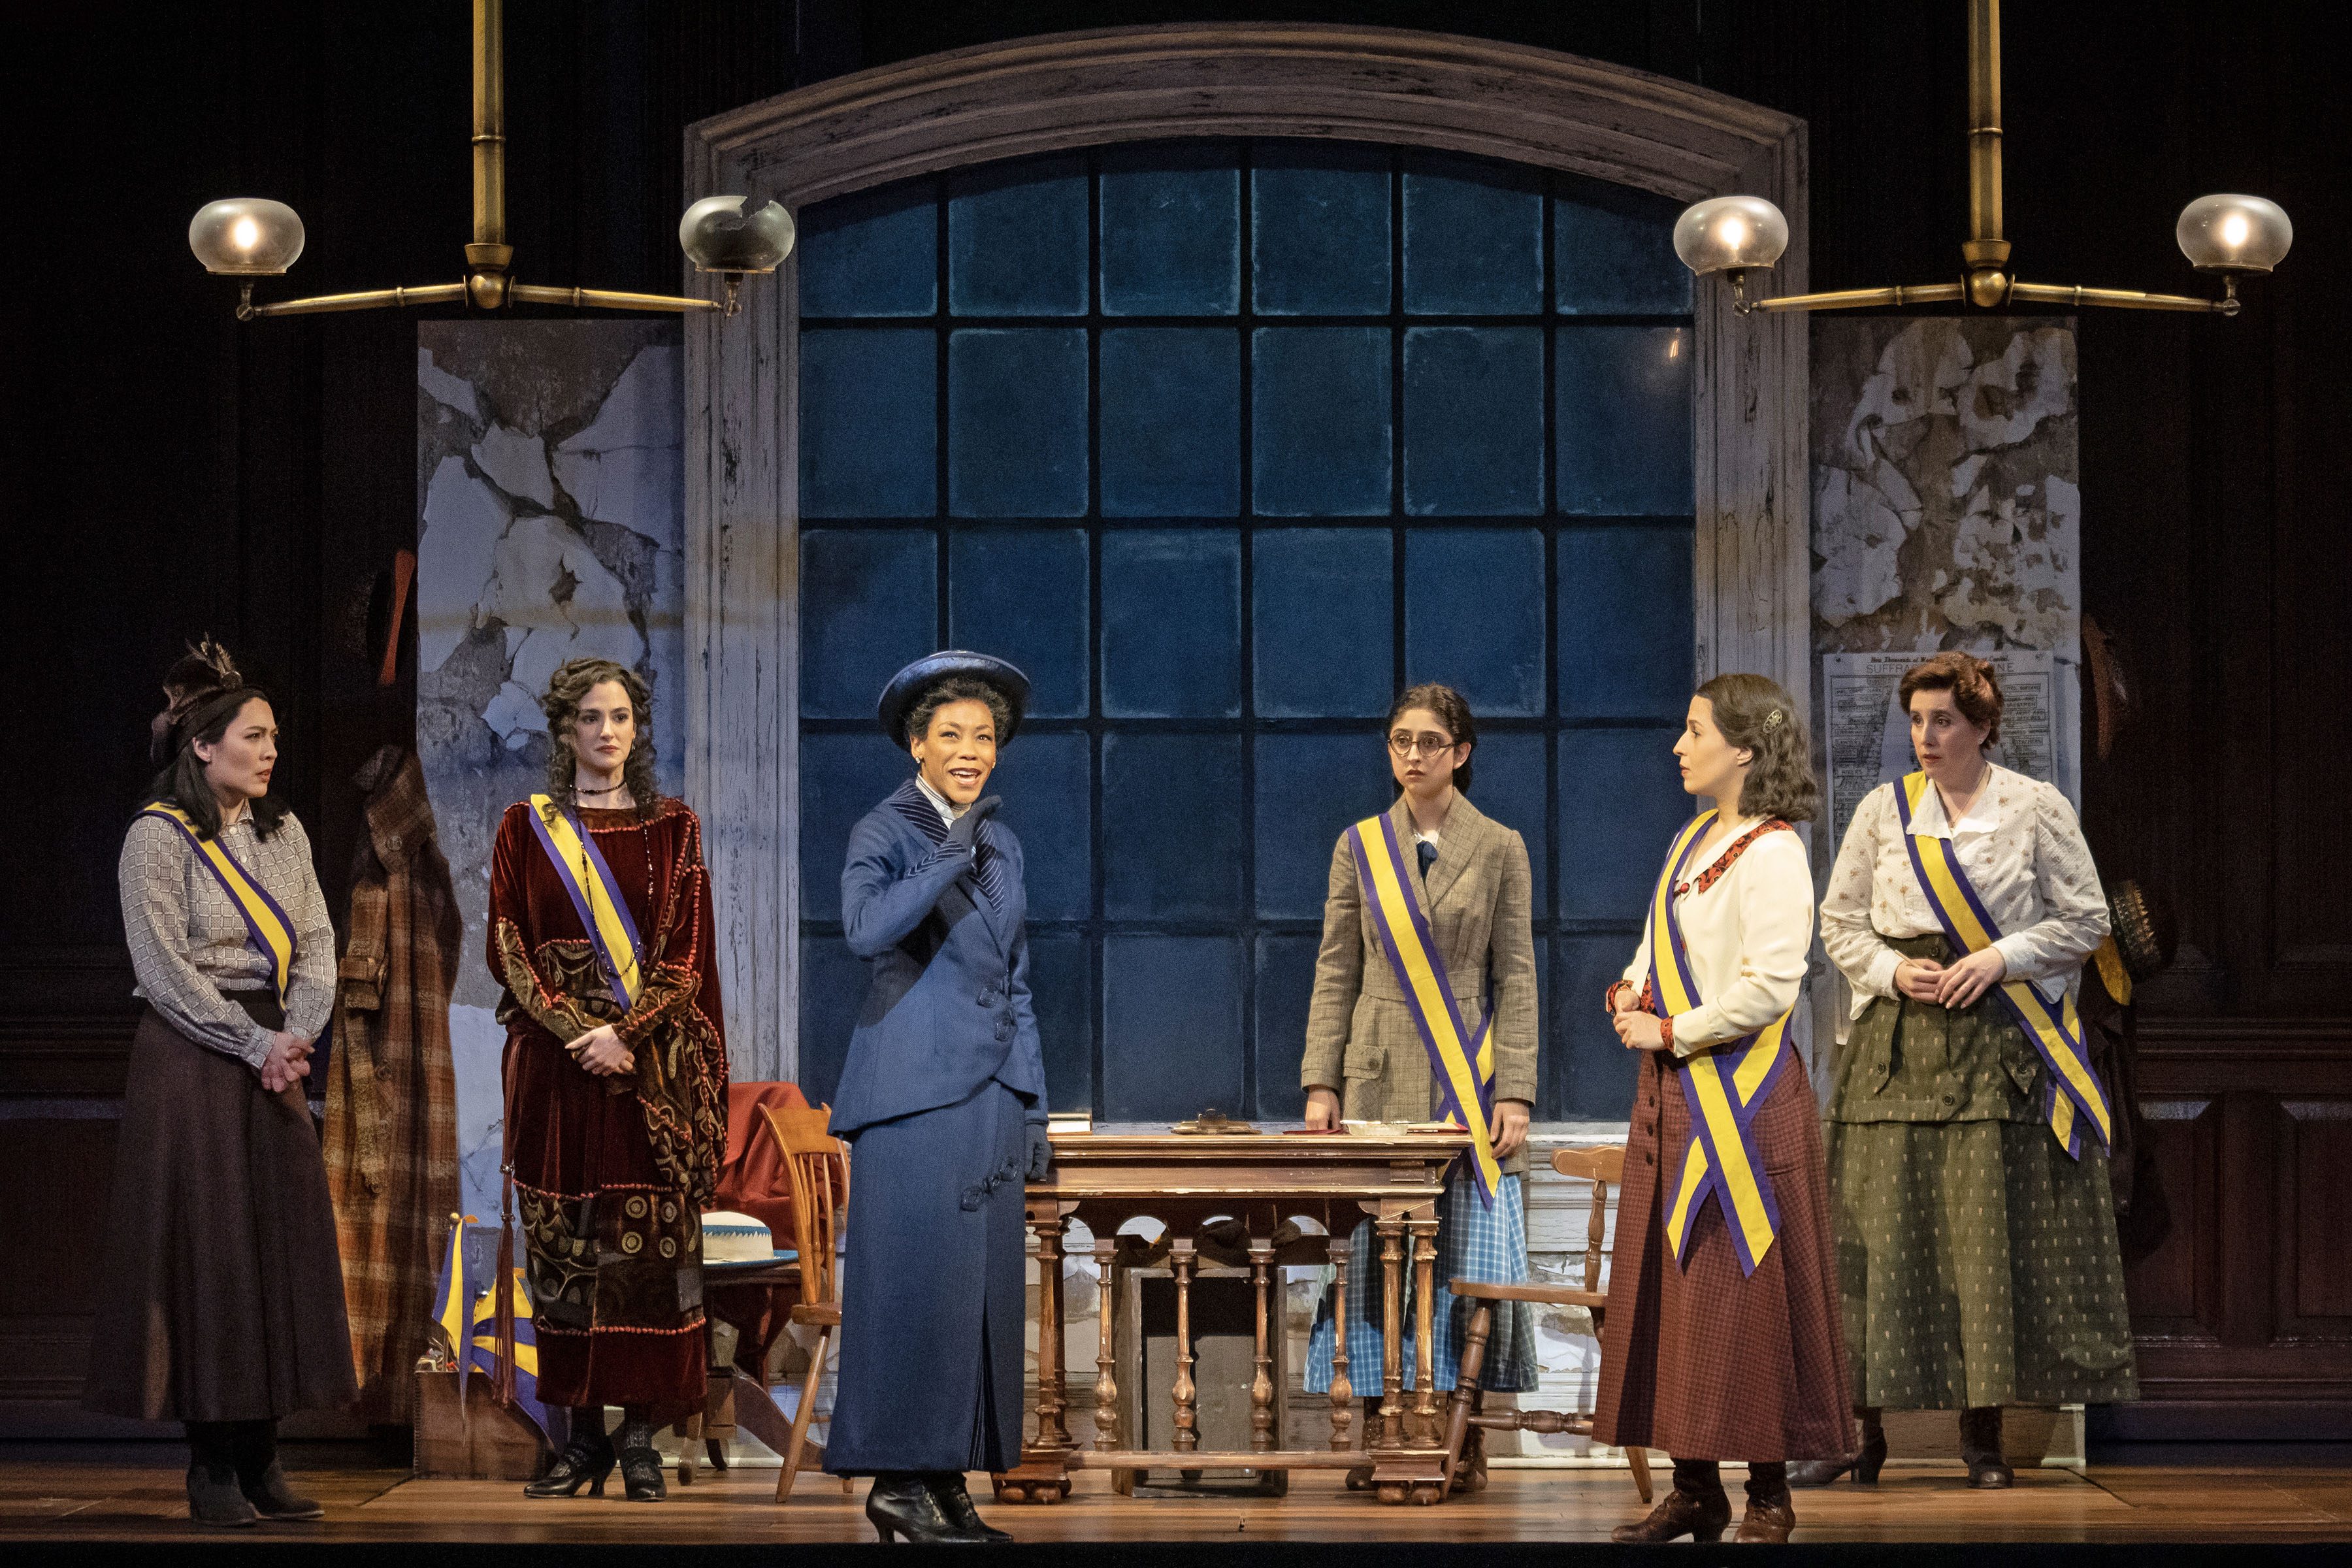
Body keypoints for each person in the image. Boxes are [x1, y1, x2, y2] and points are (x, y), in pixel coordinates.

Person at [1801, 651, 2133, 1489]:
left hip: (1996, 1044)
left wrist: (2003, 959)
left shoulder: (2034, 808)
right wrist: (1887, 971)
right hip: (1896, 1049)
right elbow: (1840, 923)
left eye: (1942, 720)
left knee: (1978, 1239)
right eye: (1915, 720)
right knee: (1876, 1235)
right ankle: (1858, 1436)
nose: (1925, 736)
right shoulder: (1884, 811)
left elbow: (2087, 917)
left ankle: (1981, 1438)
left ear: (1983, 726)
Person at [86, 640, 353, 1526]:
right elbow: (163, 972)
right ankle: (211, 1465)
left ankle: (263, 1456)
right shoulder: (156, 840)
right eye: (255, 735)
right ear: (204, 745)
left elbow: (316, 944)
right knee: (209, 1258)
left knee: (274, 1249)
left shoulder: (284, 831)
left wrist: (297, 1033)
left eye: (274, 736)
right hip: (194, 1058)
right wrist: (252, 1043)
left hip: (273, 1050)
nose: (272, 750)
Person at [1591, 674, 1850, 1545]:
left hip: (1744, 1095)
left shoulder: (1774, 852)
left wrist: (1669, 1025)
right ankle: (1694, 1486)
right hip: (1674, 1095)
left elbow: (1771, 987)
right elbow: (1658, 938)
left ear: (1741, 748)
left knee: (1748, 1289)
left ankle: (1769, 1492)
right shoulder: (1693, 837)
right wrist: (1633, 985)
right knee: (1681, 1293)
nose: (1679, 744)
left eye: (1693, 729)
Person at [487, 657, 730, 1503]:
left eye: (621, 716)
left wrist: (623, 1033)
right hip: (561, 1076)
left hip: (648, 1076)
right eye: (590, 717)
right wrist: (577, 1031)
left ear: (638, 727)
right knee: (569, 1258)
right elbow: (509, 949)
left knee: (650, 1263)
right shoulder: (527, 827)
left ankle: (638, 1444)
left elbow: (686, 959)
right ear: (564, 732)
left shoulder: (676, 829)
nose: (608, 732)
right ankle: (581, 1443)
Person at [824, 652, 1053, 1545]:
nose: (970, 750)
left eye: (984, 737)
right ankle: (897, 1480)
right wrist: (947, 854)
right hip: (914, 1094)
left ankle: (948, 1482)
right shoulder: (886, 829)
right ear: (917, 746)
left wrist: (1032, 1102)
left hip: (991, 1094)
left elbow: (1017, 982)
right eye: (951, 735)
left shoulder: (1005, 841)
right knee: (913, 1292)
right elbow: (865, 930)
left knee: (977, 1301)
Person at [1299, 683, 1540, 1488]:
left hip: (1467, 1075)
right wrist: (1320, 1083)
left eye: (1429, 742)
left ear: (1461, 753)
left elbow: (1519, 976)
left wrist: (1515, 1091)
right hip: (1374, 1076)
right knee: (1375, 1259)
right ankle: (1382, 1425)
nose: (1411, 756)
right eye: (1400, 741)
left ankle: (1454, 1431)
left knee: (1460, 1250)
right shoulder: (1359, 845)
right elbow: (1336, 969)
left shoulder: (1501, 845)